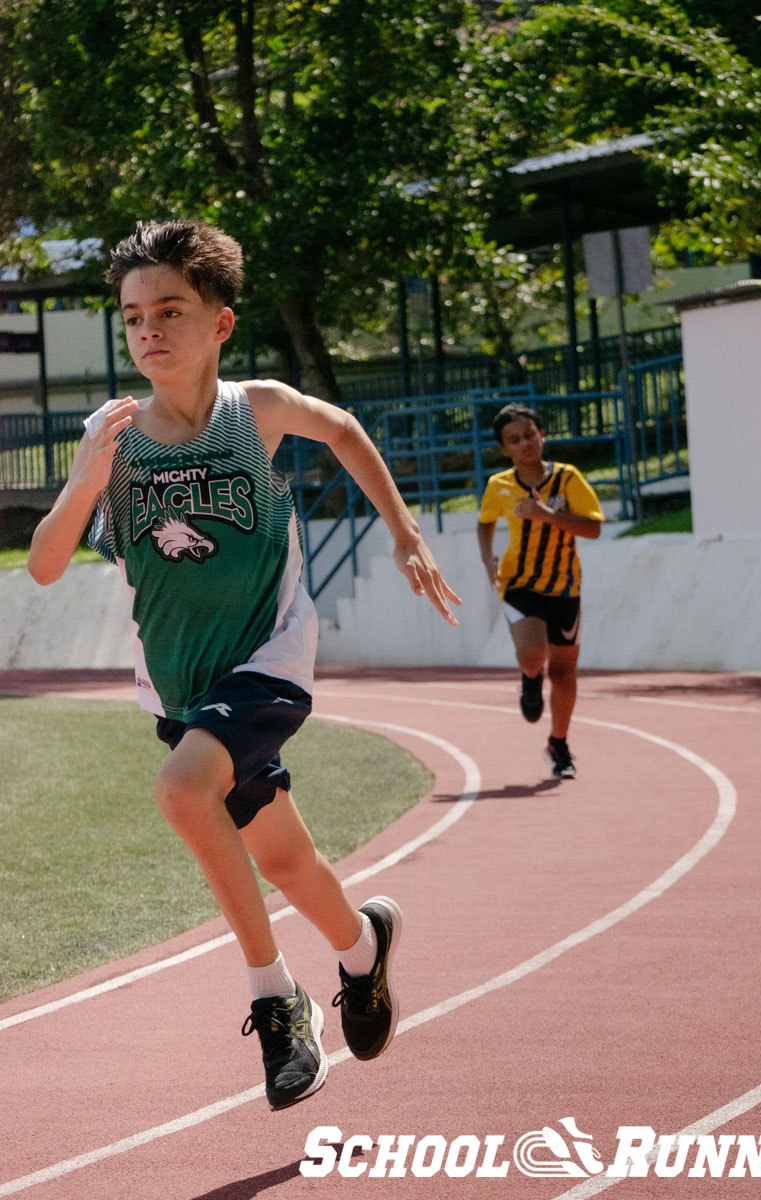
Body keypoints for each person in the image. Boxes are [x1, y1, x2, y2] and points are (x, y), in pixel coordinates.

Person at [28, 218, 461, 1111]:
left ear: (220, 322)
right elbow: (42, 562)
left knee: (185, 794)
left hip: (269, 659)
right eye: (134, 316)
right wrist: (79, 479)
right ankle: (362, 950)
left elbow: (340, 428)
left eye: (171, 310)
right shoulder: (111, 440)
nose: (150, 330)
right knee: (287, 862)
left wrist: (405, 528)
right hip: (180, 687)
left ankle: (278, 996)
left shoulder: (253, 411)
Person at [477, 402, 602, 780]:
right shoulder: (498, 485)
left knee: (564, 674)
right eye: (515, 440)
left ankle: (558, 744)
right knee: (533, 654)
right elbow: (484, 523)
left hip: (565, 586)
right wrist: (487, 558)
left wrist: (547, 515)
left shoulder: (568, 479)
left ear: (542, 435)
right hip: (519, 584)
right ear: (504, 449)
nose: (526, 444)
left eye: (531, 435)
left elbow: (594, 527)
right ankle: (530, 680)